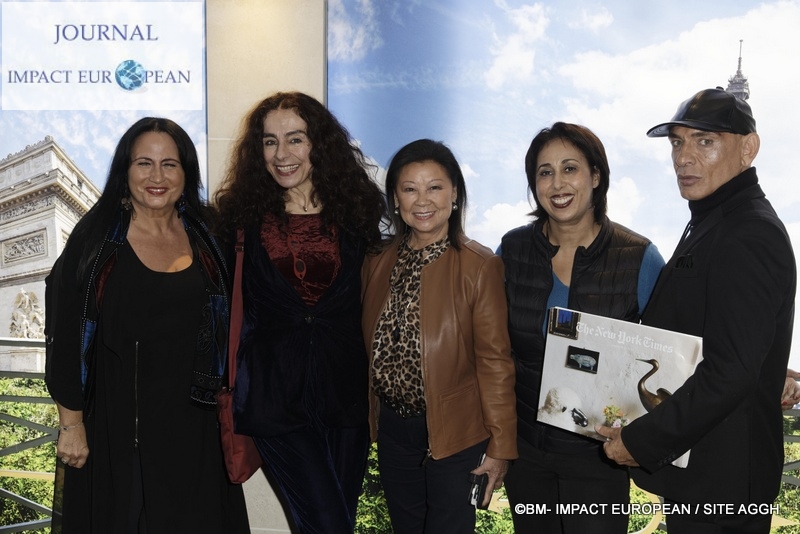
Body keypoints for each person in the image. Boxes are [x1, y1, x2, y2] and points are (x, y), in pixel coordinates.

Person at [598, 88, 796, 534]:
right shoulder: (714, 221)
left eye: (705, 141)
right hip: (706, 474)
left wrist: (642, 440)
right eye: (677, 142)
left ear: (748, 148)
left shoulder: (747, 232)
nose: (683, 158)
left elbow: (730, 371)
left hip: (723, 485)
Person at [44, 118, 249, 532]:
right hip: (118, 432)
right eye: (144, 163)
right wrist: (71, 424)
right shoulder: (95, 238)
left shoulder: (211, 237)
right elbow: (64, 335)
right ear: (125, 171)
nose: (157, 177)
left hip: (197, 432)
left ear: (186, 173)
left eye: (170, 164)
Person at [214, 91, 385, 533]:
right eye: (270, 141)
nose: (281, 154)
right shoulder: (240, 220)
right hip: (273, 400)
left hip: (346, 398)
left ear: (319, 144)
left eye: (295, 139)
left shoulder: (358, 214)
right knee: (327, 523)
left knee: (338, 521)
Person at [499, 122, 665, 534]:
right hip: (525, 450)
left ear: (595, 176)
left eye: (570, 168)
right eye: (545, 172)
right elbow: (489, 348)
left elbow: (670, 352)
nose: (557, 183)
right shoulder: (512, 250)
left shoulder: (639, 257)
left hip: (599, 455)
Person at [361, 139, 517, 533]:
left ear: (455, 194)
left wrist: (500, 446)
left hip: (456, 432)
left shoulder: (480, 265)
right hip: (395, 431)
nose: (422, 200)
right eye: (409, 188)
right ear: (395, 199)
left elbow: (495, 362)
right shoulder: (377, 260)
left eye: (435, 187)